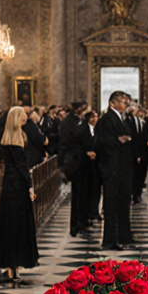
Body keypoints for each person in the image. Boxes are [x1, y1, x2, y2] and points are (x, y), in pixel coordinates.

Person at [0, 106, 39, 287]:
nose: (25, 116)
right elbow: (22, 166)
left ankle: (11, 264)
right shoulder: (18, 138)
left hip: (9, 184)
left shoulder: (10, 137)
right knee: (18, 223)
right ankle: (14, 264)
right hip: (18, 185)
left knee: (10, 223)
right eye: (22, 114)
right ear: (15, 117)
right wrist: (30, 186)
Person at [97, 91, 136, 250]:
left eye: (127, 102)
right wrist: (118, 141)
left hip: (123, 168)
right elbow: (101, 141)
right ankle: (110, 240)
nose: (126, 105)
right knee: (112, 204)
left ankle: (124, 235)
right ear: (113, 103)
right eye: (123, 101)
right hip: (112, 168)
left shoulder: (122, 118)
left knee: (124, 202)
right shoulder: (106, 119)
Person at [61, 101, 92, 238]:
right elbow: (70, 141)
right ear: (78, 109)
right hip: (76, 162)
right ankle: (75, 225)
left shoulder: (79, 120)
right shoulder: (69, 122)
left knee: (84, 194)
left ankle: (83, 221)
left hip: (83, 162)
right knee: (77, 195)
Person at [85, 110, 103, 225]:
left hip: (97, 164)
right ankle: (89, 213)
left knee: (96, 190)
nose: (95, 119)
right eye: (93, 117)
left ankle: (95, 211)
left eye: (96, 117)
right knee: (90, 190)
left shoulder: (97, 130)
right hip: (87, 165)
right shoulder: (84, 130)